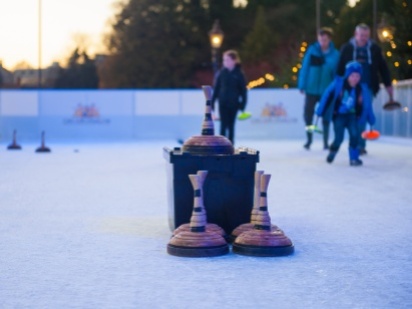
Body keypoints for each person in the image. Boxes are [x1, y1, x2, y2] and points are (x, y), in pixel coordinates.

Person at [337, 23, 393, 155]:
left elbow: (383, 69)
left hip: (368, 88)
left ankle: (359, 145)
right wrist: (338, 87)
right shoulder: (347, 48)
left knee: (362, 115)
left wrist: (388, 85)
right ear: (355, 34)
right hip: (349, 89)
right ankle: (354, 142)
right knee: (352, 116)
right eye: (361, 35)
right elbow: (339, 68)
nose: (363, 38)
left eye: (366, 36)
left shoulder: (374, 49)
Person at [316, 61, 375, 166]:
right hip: (339, 116)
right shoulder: (338, 84)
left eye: (357, 76)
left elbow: (367, 105)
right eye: (352, 75)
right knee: (339, 138)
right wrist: (320, 110)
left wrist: (371, 118)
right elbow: (326, 96)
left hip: (353, 116)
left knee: (354, 135)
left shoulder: (362, 89)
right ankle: (332, 152)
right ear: (347, 75)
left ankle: (354, 158)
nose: (355, 78)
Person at [298, 27, 340, 150]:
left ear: (329, 40)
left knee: (326, 116)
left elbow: (337, 73)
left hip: (326, 91)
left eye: (325, 39)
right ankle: (309, 140)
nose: (322, 42)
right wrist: (302, 85)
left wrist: (336, 89)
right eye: (321, 39)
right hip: (311, 89)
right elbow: (305, 68)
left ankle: (325, 142)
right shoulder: (312, 51)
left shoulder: (335, 55)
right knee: (308, 115)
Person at [211, 50, 247, 145]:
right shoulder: (222, 73)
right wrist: (212, 103)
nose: (225, 62)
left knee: (231, 125)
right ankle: (221, 144)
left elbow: (243, 91)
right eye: (224, 60)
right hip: (222, 103)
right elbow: (216, 89)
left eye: (227, 60)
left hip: (234, 103)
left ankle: (230, 145)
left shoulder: (239, 74)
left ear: (234, 60)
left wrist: (242, 105)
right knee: (223, 125)